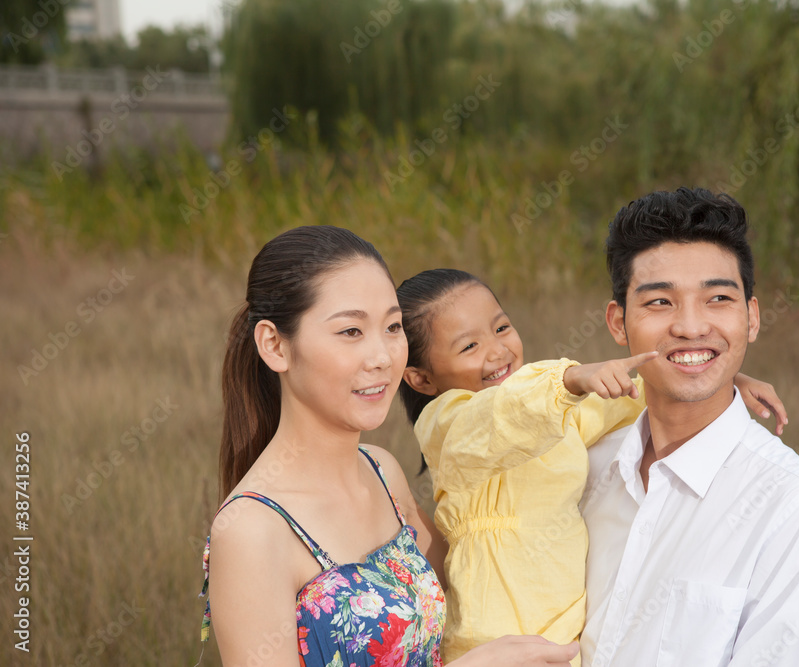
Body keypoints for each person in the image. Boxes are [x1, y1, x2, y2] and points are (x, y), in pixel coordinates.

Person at [198, 225, 579, 667]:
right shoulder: (251, 531)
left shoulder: (381, 471)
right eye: (351, 332)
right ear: (274, 345)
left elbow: (471, 576)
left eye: (392, 327)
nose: (382, 356)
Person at [395, 268, 788, 665]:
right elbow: (502, 416)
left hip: (566, 638)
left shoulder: (560, 413)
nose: (497, 351)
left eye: (501, 328)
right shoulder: (446, 425)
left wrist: (722, 380)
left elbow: (636, 399)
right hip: (491, 635)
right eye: (469, 347)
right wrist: (569, 379)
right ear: (421, 379)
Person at [580, 188, 799, 666]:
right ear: (618, 324)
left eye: (718, 299)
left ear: (751, 317)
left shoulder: (797, 512)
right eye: (660, 302)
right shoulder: (584, 466)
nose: (690, 327)